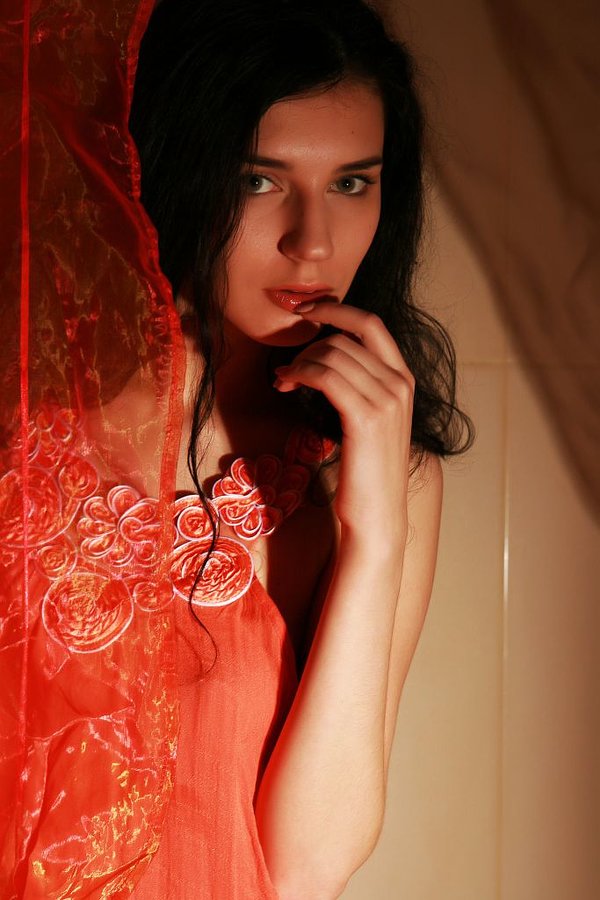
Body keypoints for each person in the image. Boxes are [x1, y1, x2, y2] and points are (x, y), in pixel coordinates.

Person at [0, 0, 471, 897]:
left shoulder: (378, 475)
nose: (313, 240)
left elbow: (304, 869)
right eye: (260, 181)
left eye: (352, 183)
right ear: (175, 164)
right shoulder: (32, 421)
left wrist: (374, 531)